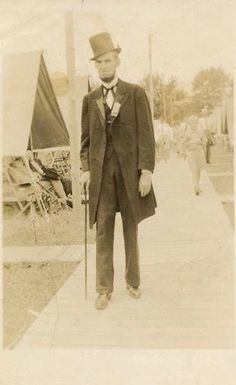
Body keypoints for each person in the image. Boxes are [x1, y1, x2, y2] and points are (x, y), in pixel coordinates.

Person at [80, 32, 156, 310]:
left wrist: (146, 170)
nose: (104, 66)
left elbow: (147, 135)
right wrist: (85, 169)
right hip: (101, 178)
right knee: (103, 231)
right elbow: (85, 142)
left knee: (130, 228)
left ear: (117, 60)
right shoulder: (89, 100)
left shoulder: (135, 93)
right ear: (95, 65)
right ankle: (103, 288)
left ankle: (133, 281)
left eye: (108, 60)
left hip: (129, 175)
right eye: (99, 62)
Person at [184, 116, 206, 195]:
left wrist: (200, 142)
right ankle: (195, 186)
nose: (193, 125)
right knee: (194, 170)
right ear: (189, 124)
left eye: (195, 123)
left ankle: (198, 185)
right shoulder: (187, 133)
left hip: (199, 153)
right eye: (191, 123)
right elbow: (184, 143)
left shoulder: (200, 132)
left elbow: (204, 142)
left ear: (197, 123)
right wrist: (190, 143)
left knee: (199, 169)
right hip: (191, 153)